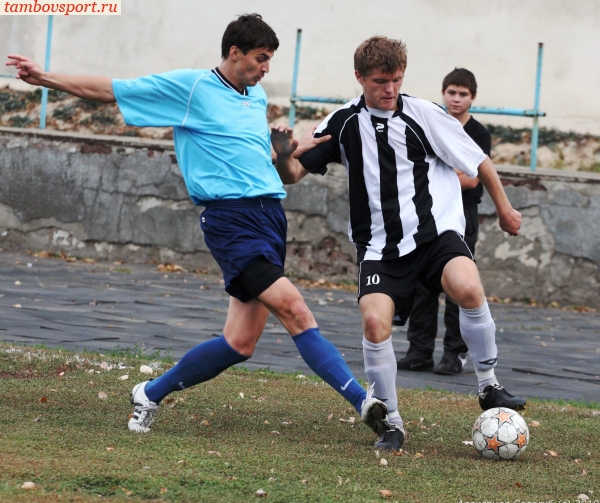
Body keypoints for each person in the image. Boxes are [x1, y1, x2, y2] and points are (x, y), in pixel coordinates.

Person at [6, 14, 391, 438]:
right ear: (234, 52)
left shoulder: (255, 97)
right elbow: (113, 90)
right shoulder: (191, 87)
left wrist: (284, 149)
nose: (266, 69)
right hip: (231, 222)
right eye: (260, 59)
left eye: (270, 60)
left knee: (239, 344)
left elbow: (258, 159)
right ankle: (363, 401)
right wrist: (45, 79)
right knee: (295, 309)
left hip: (270, 218)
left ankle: (149, 393)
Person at [272, 36, 526, 452]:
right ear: (359, 78)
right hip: (379, 246)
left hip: (434, 234)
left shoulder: (425, 115)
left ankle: (488, 386)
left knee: (467, 287)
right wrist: (282, 153)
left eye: (396, 80)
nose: (389, 89)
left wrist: (505, 209)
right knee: (374, 323)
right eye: (379, 81)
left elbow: (478, 159)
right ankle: (391, 421)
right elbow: (292, 174)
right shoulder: (341, 122)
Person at [396, 68, 491, 375]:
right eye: (451, 92)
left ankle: (454, 353)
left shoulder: (478, 134)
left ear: (473, 98)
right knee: (422, 285)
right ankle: (420, 350)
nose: (456, 99)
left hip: (461, 219)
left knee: (458, 288)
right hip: (428, 217)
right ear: (443, 93)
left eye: (463, 94)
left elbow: (472, 179)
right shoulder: (432, 124)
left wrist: (438, 175)